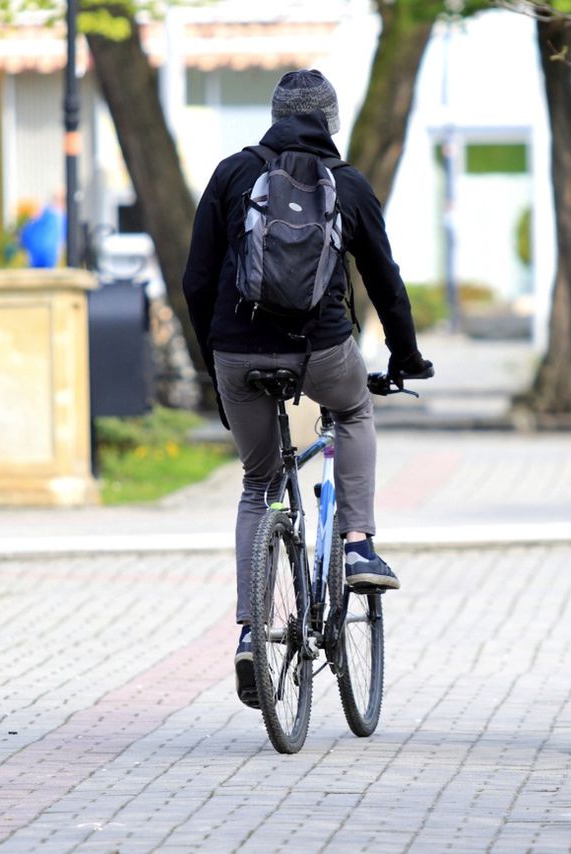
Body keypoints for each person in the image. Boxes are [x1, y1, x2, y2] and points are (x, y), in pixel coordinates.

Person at [182, 69, 432, 706]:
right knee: (353, 412)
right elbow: (385, 279)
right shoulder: (345, 183)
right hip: (320, 348)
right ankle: (357, 546)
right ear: (332, 122)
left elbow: (196, 280)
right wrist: (406, 357)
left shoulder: (233, 174)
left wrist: (214, 359)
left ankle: (248, 635)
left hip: (236, 351)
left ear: (272, 115)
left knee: (258, 484)